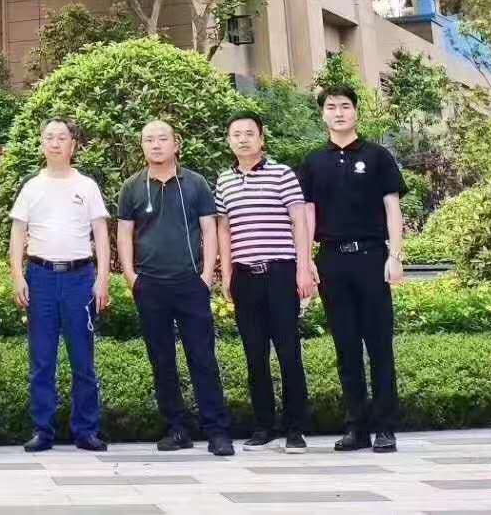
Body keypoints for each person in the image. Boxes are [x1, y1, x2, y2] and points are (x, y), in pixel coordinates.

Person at [299, 84, 407, 454]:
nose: (339, 112)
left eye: (345, 106)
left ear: (356, 111)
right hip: (332, 260)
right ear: (323, 114)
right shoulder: (313, 161)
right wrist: (306, 260)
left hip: (371, 257)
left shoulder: (377, 156)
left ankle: (385, 427)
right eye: (331, 107)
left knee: (379, 345)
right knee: (345, 346)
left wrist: (396, 256)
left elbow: (392, 208)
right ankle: (356, 427)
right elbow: (307, 216)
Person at [117, 119, 234, 457]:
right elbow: (124, 233)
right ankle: (176, 428)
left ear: (176, 144)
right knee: (162, 359)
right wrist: (130, 275)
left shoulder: (195, 183)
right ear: (142, 146)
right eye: (149, 140)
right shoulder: (132, 187)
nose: (156, 145)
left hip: (190, 283)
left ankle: (217, 431)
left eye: (162, 138)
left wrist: (205, 275)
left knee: (203, 358)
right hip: (150, 284)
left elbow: (209, 229)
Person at [9, 118, 110, 454]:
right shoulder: (31, 187)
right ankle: (43, 430)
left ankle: (86, 430)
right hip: (41, 278)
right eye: (49, 137)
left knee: (83, 358)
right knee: (41, 359)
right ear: (42, 143)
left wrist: (102, 279)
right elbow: (17, 234)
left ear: (72, 145)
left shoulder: (87, 186)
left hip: (79, 278)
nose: (55, 143)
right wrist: (17, 275)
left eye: (61, 137)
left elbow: (101, 234)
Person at [216, 111, 313, 451]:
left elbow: (299, 222)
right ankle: (263, 426)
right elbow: (224, 230)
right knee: (254, 354)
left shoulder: (282, 174)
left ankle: (295, 428)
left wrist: (303, 268)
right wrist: (227, 273)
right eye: (236, 134)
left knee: (288, 352)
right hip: (245, 276)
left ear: (261, 138)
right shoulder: (224, 181)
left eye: (249, 133)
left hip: (281, 273)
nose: (243, 139)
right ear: (229, 141)